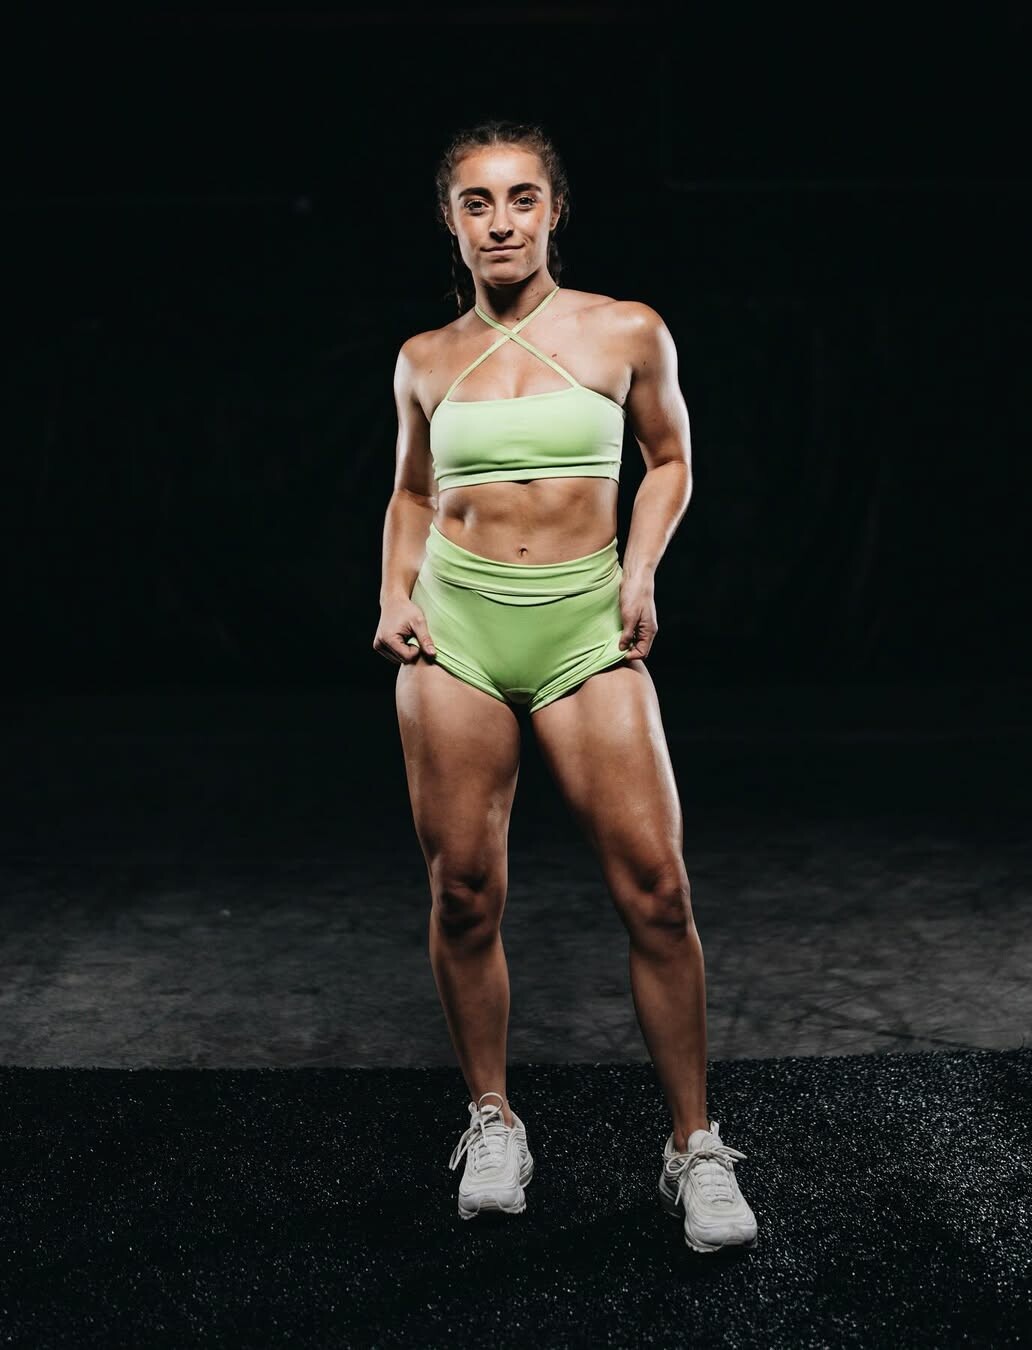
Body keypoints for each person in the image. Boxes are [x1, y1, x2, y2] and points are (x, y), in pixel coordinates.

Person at [373, 118, 757, 1253]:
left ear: (554, 211)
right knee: (463, 892)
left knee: (658, 892)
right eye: (477, 202)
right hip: (458, 630)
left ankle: (695, 1146)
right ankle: (492, 1119)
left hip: (587, 624)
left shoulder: (625, 329)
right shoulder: (424, 357)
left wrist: (640, 571)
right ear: (451, 222)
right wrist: (393, 592)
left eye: (522, 198)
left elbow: (669, 460)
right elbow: (411, 493)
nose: (501, 222)